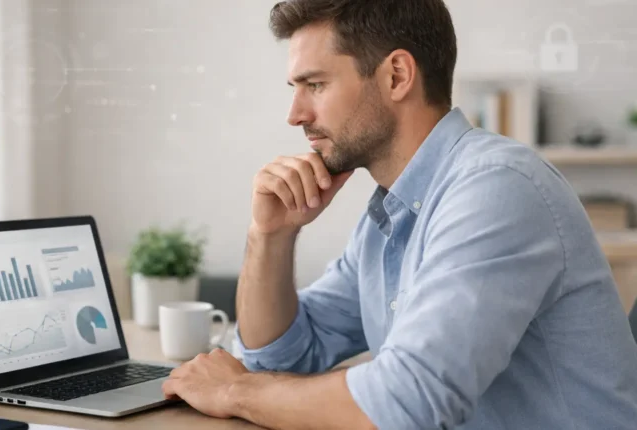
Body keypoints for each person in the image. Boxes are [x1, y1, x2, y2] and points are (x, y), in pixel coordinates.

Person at [161, 0, 637, 428]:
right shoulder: (389, 218)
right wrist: (270, 236)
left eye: (315, 85)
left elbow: (411, 401)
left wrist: (233, 390)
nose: (295, 113)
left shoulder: (496, 188)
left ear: (396, 76)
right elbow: (279, 356)